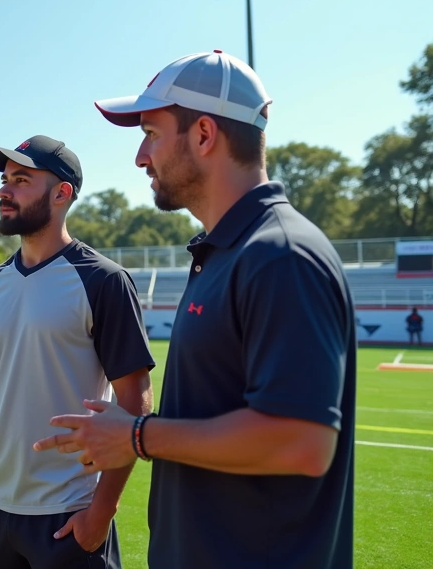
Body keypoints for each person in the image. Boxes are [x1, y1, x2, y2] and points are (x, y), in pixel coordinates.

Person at [37, 51, 356, 569]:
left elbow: (303, 442)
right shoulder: (225, 252)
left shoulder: (280, 255)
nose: (141, 157)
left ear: (204, 134)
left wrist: (137, 435)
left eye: (151, 133)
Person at [0, 135, 155, 569]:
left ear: (61, 193)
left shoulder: (103, 281)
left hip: (69, 514)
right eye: (5, 178)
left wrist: (101, 512)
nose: (3, 189)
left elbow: (134, 402)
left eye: (22, 179)